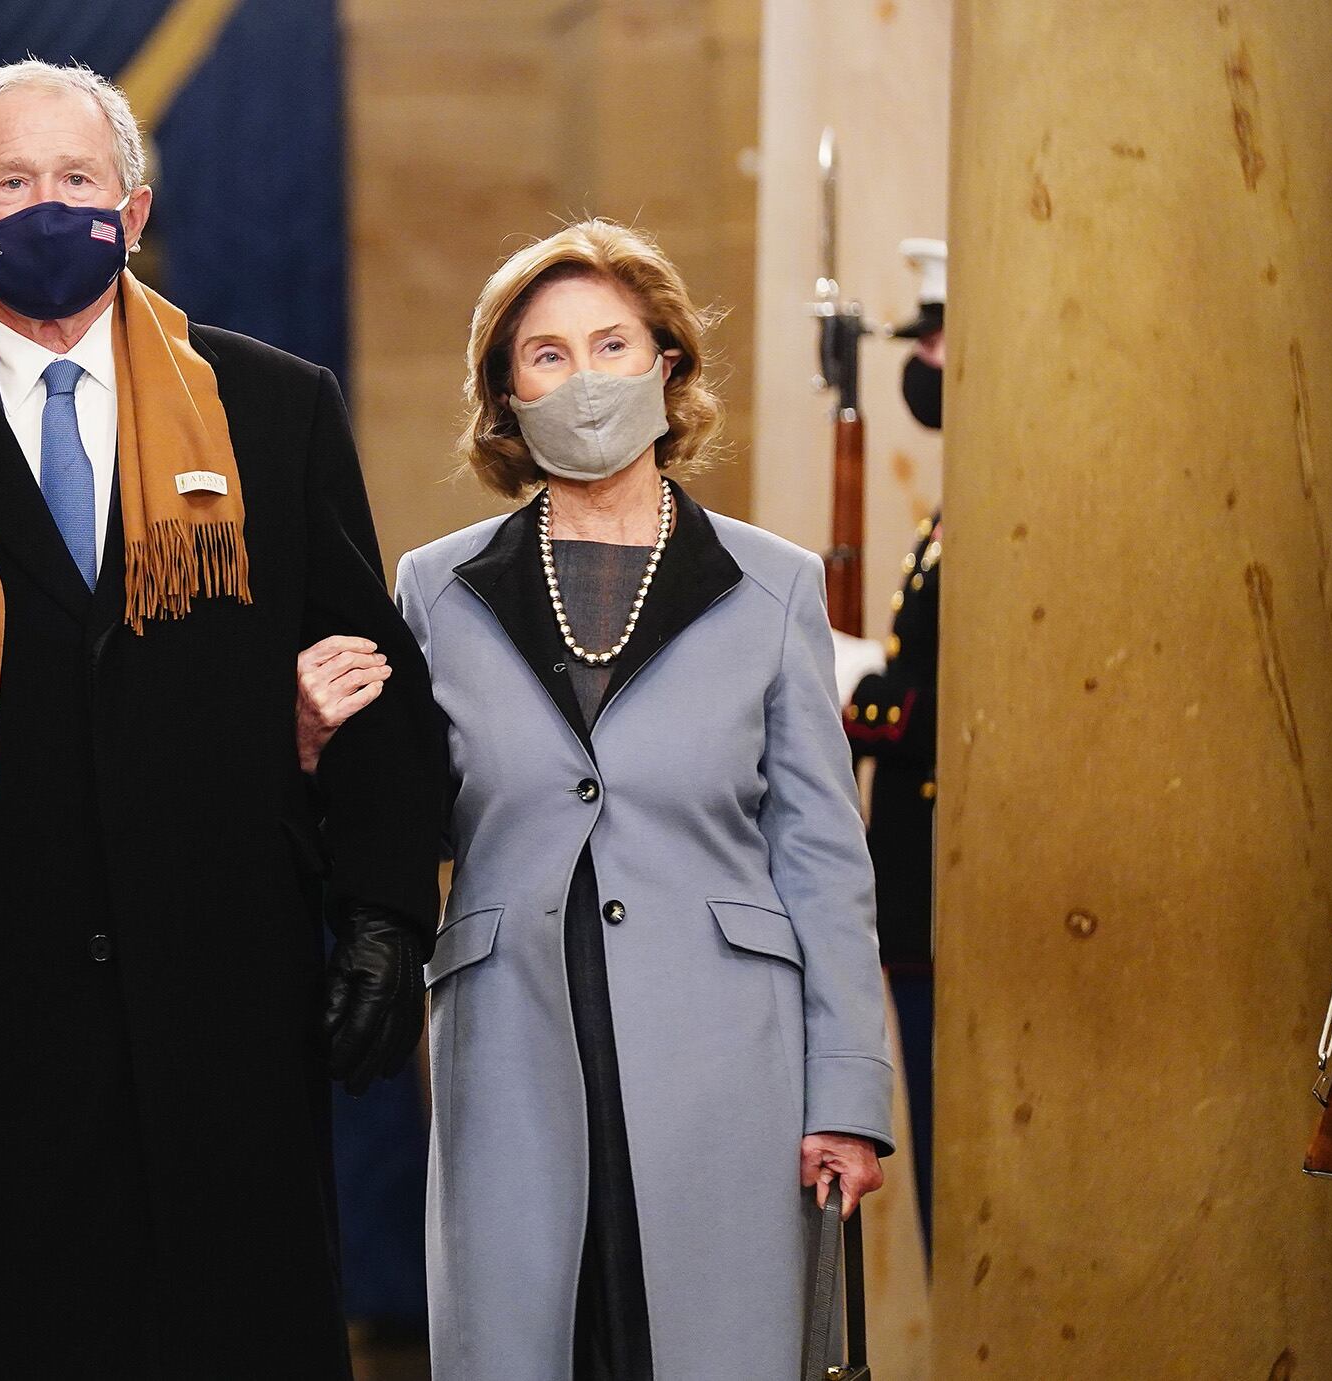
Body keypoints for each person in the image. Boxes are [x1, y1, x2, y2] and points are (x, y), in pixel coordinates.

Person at [0, 60, 445, 1378]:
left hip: (231, 1007)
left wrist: (390, 921)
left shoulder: (273, 412)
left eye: (75, 181)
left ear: (136, 205)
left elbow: (374, 683)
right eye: (13, 182)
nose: (46, 207)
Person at [298, 220, 891, 1380]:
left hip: (731, 1059)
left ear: (666, 367)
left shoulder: (773, 583)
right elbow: (392, 823)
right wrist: (314, 748)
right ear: (504, 395)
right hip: (509, 1039)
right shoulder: (435, 587)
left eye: (611, 343)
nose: (583, 378)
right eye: (546, 355)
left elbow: (821, 858)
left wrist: (846, 1094)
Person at [842, 236, 944, 1244]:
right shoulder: (957, 512)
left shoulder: (1003, 508)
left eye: (939, 341)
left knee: (960, 1183)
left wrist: (862, 693)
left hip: (949, 882)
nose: (923, 362)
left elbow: (966, 695)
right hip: (913, 886)